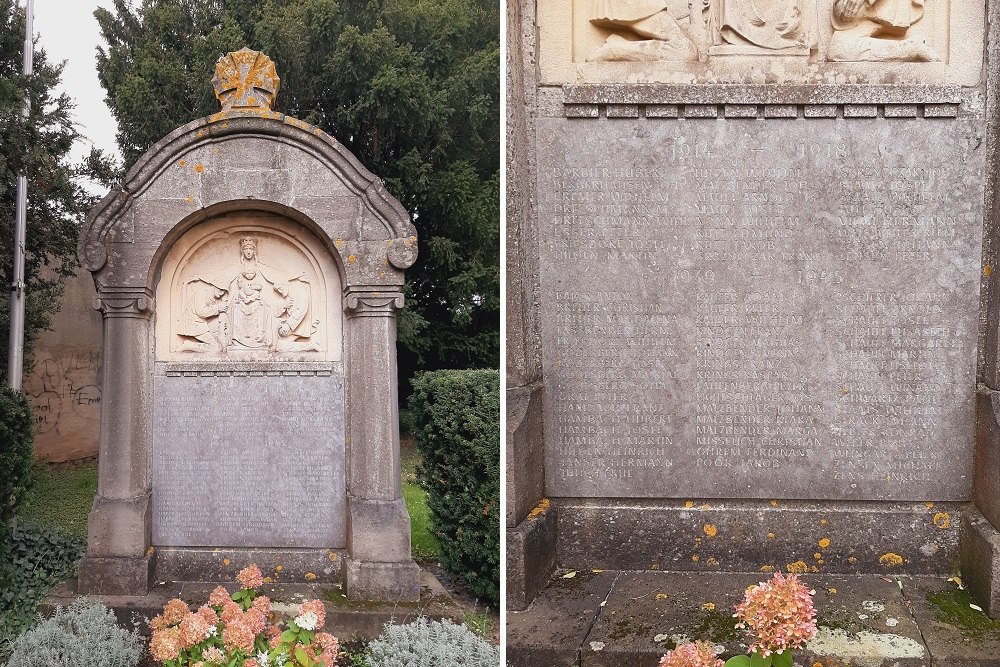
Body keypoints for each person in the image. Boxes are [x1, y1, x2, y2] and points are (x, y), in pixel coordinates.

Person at [829, 0, 937, 61]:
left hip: (882, 11)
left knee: (839, 48)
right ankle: (910, 49)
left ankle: (912, 49)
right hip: (859, 18)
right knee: (840, 48)